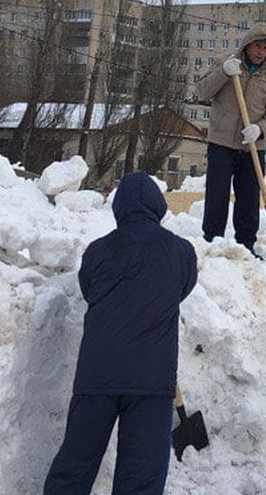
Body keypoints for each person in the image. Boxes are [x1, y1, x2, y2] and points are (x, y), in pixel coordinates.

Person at [43, 172, 199, 495]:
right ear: (158, 206)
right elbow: (182, 288)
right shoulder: (181, 252)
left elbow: (90, 290)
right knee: (140, 480)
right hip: (151, 384)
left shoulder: (97, 251)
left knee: (74, 467)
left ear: (119, 208)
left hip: (96, 376)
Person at [193, 22, 266, 253]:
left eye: (265, 48)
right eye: (256, 46)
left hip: (252, 145)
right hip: (221, 143)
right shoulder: (227, 62)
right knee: (217, 195)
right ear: (247, 45)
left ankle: (246, 245)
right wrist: (223, 72)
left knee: (249, 197)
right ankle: (212, 241)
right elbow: (202, 91)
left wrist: (260, 128)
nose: (259, 52)